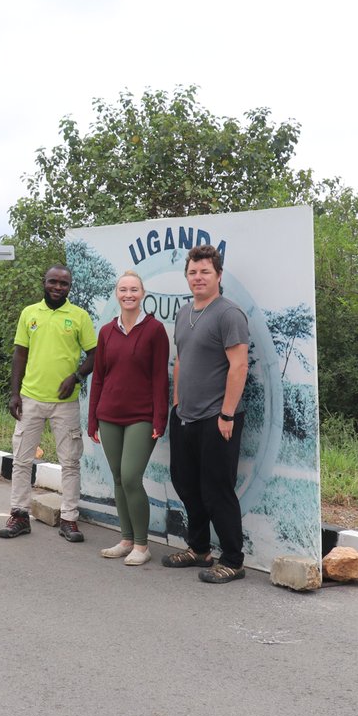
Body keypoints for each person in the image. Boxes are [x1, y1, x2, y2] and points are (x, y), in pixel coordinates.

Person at [162, 244, 251, 584]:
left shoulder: (229, 314)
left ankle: (233, 559)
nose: (198, 278)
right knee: (185, 483)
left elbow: (238, 366)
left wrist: (227, 415)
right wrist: (176, 403)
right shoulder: (184, 313)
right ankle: (199, 548)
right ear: (187, 276)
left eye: (205, 272)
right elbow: (182, 359)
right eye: (193, 272)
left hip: (218, 418)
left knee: (217, 489)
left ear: (218, 276)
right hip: (185, 416)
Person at [0, 264, 97, 543]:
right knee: (21, 459)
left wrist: (76, 376)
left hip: (64, 403)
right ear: (44, 282)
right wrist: (14, 393)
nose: (57, 287)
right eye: (53, 282)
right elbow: (20, 354)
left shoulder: (79, 317)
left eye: (63, 284)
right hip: (30, 398)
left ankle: (69, 519)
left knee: (70, 462)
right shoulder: (29, 313)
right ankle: (19, 515)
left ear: (70, 287)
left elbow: (94, 355)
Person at [87, 271, 169, 566]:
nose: (128, 294)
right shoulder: (107, 331)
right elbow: (99, 378)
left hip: (141, 416)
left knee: (132, 477)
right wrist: (92, 419)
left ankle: (142, 545)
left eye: (134, 289)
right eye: (123, 289)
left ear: (142, 293)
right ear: (116, 294)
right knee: (119, 478)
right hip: (108, 414)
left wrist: (160, 418)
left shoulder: (155, 330)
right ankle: (126, 539)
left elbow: (161, 379)